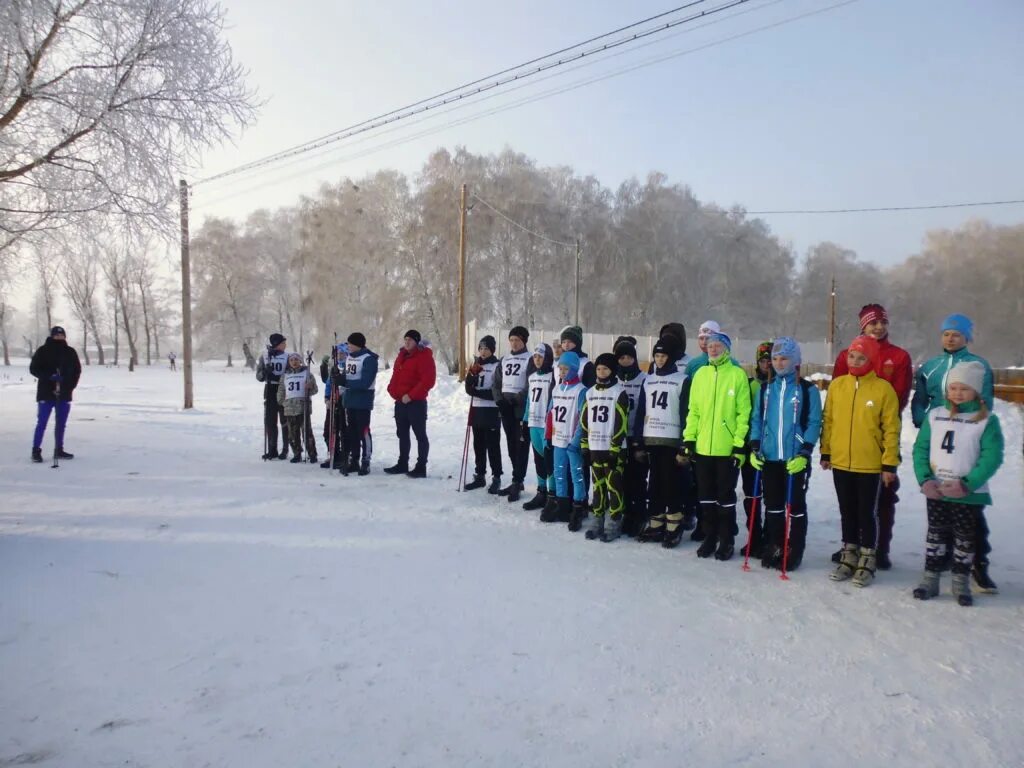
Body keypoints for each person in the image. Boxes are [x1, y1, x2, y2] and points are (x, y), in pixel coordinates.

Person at [909, 313, 998, 593]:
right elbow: (920, 398)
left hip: (965, 437)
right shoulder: (931, 366)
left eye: (957, 334)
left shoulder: (977, 365)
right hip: (938, 434)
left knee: (969, 513)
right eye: (946, 333)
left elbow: (985, 400)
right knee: (939, 509)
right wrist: (924, 421)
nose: (950, 338)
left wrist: (971, 419)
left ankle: (977, 564)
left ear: (967, 337)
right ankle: (942, 560)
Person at [830, 304, 912, 570]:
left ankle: (878, 548)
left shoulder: (898, 356)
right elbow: (839, 392)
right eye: (872, 322)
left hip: (879, 432)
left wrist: (877, 413)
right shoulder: (847, 354)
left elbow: (899, 394)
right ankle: (851, 545)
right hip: (850, 435)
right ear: (862, 325)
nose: (878, 327)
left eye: (882, 322)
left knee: (882, 497)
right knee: (851, 499)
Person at [820, 335, 901, 587]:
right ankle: (849, 553)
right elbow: (829, 420)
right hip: (841, 461)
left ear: (872, 359)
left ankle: (868, 556)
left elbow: (891, 428)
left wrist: (889, 463)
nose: (855, 361)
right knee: (847, 511)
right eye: (851, 357)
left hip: (869, 463)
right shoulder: (837, 386)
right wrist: (826, 451)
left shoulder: (883, 389)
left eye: (861, 357)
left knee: (866, 512)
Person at [748, 338, 822, 571]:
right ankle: (776, 544)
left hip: (794, 459)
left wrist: (805, 451)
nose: (779, 363)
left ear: (796, 360)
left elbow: (813, 422)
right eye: (776, 359)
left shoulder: (807, 390)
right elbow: (757, 419)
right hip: (769, 457)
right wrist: (755, 446)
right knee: (773, 505)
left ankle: (795, 548)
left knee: (795, 505)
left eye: (784, 358)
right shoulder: (766, 388)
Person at [683, 331, 751, 561]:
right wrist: (689, 438)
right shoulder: (700, 374)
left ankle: (726, 539)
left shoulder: (737, 375)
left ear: (727, 349)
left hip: (726, 449)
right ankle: (710, 537)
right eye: (710, 345)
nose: (713, 349)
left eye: (717, 346)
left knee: (725, 495)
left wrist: (739, 445)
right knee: (706, 496)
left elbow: (744, 413)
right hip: (703, 447)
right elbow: (694, 411)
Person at [634, 336, 691, 547]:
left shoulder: (682, 379)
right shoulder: (648, 380)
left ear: (671, 357)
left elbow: (687, 412)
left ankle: (674, 521)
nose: (659, 360)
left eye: (663, 356)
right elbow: (642, 411)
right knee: (654, 482)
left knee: (671, 482)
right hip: (651, 438)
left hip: (671, 440)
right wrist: (638, 441)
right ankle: (656, 520)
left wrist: (685, 443)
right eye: (656, 356)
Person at [579, 353, 630, 542]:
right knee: (597, 485)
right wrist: (584, 445)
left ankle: (615, 519)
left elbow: (621, 423)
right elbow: (585, 421)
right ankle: (597, 518)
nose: (601, 372)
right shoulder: (590, 392)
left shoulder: (619, 392)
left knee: (614, 485)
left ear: (613, 371)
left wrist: (615, 448)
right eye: (599, 369)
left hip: (612, 449)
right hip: (595, 447)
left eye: (605, 369)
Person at [385, 330, 436, 478]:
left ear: (417, 342)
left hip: (416, 403)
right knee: (402, 434)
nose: (407, 342)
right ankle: (402, 463)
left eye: (410, 340)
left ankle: (421, 467)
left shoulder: (424, 356)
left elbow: (428, 381)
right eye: (405, 339)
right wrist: (392, 391)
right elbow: (395, 377)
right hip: (400, 402)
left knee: (420, 435)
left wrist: (411, 395)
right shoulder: (401, 356)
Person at [29, 325, 82, 463]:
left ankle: (59, 449)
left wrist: (70, 386)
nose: (59, 337)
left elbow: (77, 371)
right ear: (52, 336)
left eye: (61, 335)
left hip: (64, 394)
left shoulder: (70, 352)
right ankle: (36, 450)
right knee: (42, 423)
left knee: (61, 424)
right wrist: (48, 376)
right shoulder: (43, 351)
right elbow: (34, 368)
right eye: (57, 335)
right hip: (46, 393)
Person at [548, 351, 588, 529]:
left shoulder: (581, 391)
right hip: (558, 440)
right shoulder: (557, 389)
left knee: (576, 475)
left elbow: (583, 418)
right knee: (559, 474)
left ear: (574, 369)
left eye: (566, 369)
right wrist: (547, 436)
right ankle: (562, 506)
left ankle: (579, 507)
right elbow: (550, 414)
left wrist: (576, 440)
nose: (563, 372)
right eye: (560, 369)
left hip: (572, 443)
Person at [741, 340, 774, 557]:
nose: (767, 364)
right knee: (751, 492)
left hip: (773, 446)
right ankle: (754, 534)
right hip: (751, 445)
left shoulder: (780, 385)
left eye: (770, 360)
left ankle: (772, 537)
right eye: (763, 360)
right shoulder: (751, 383)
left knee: (772, 493)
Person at [492, 326, 532, 501]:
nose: (514, 343)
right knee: (510, 445)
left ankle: (518, 480)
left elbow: (531, 384)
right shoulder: (504, 359)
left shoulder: (530, 359)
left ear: (524, 341)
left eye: (518, 340)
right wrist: (499, 401)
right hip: (506, 409)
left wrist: (517, 399)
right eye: (512, 340)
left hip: (521, 409)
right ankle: (517, 479)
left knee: (521, 446)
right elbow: (496, 382)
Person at [614, 337, 648, 536]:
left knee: (638, 477)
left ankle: (639, 513)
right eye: (621, 357)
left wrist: (640, 438)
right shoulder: (614, 379)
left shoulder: (643, 379)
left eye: (628, 357)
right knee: (621, 477)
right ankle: (624, 512)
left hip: (637, 435)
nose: (624, 361)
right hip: (618, 436)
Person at [463, 336, 503, 493]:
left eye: (486, 348)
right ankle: (480, 475)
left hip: (491, 410)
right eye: (481, 348)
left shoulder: (497, 366)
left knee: (493, 445)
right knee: (478, 445)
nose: (483, 351)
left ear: (492, 350)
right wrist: (471, 378)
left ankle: (496, 477)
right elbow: (468, 388)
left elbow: (496, 392)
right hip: (477, 409)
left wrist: (477, 392)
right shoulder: (476, 364)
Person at [338, 332, 378, 476]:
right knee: (352, 432)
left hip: (363, 401)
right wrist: (338, 376)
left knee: (363, 431)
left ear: (357, 344)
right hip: (350, 400)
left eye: (350, 344)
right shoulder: (350, 357)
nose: (348, 346)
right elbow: (347, 375)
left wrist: (345, 382)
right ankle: (353, 460)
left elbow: (365, 383)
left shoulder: (369, 359)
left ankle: (365, 461)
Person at [524, 343, 557, 514]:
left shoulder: (554, 376)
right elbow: (529, 400)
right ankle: (541, 491)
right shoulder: (531, 376)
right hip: (533, 423)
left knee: (549, 459)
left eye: (541, 357)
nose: (537, 360)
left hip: (547, 425)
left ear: (547, 358)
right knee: (538, 459)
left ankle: (553, 494)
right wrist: (524, 419)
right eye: (535, 356)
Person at [277, 352, 318, 464]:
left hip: (303, 407)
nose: (294, 362)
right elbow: (281, 391)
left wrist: (310, 387)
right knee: (292, 434)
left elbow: (315, 390)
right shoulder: (285, 376)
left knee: (307, 432)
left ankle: (312, 454)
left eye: (296, 359)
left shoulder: (307, 374)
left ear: (300, 361)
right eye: (291, 360)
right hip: (290, 409)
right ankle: (297, 453)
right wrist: (283, 403)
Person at [256, 333, 291, 460]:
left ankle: (285, 449)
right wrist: (265, 372)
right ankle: (272, 449)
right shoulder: (265, 356)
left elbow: (292, 372)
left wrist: (283, 377)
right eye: (283, 343)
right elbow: (258, 376)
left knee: (284, 420)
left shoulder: (288, 357)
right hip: (270, 389)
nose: (285, 345)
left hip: (283, 389)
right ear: (276, 344)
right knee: (270, 421)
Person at [319, 343, 348, 470]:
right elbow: (328, 384)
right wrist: (327, 398)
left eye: (342, 354)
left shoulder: (349, 366)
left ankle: (345, 455)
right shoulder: (333, 367)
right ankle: (334, 454)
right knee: (329, 430)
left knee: (343, 430)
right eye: (338, 354)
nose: (340, 356)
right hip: (332, 401)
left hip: (345, 402)